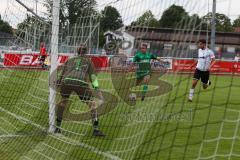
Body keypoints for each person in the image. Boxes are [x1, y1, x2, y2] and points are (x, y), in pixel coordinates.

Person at [55, 45, 105, 137]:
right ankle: (96, 130)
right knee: (92, 104)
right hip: (80, 83)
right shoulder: (89, 61)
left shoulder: (70, 60)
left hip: (66, 81)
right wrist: (97, 89)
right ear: (86, 52)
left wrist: (59, 82)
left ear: (77, 51)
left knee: (63, 102)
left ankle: (57, 128)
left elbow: (62, 74)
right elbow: (93, 78)